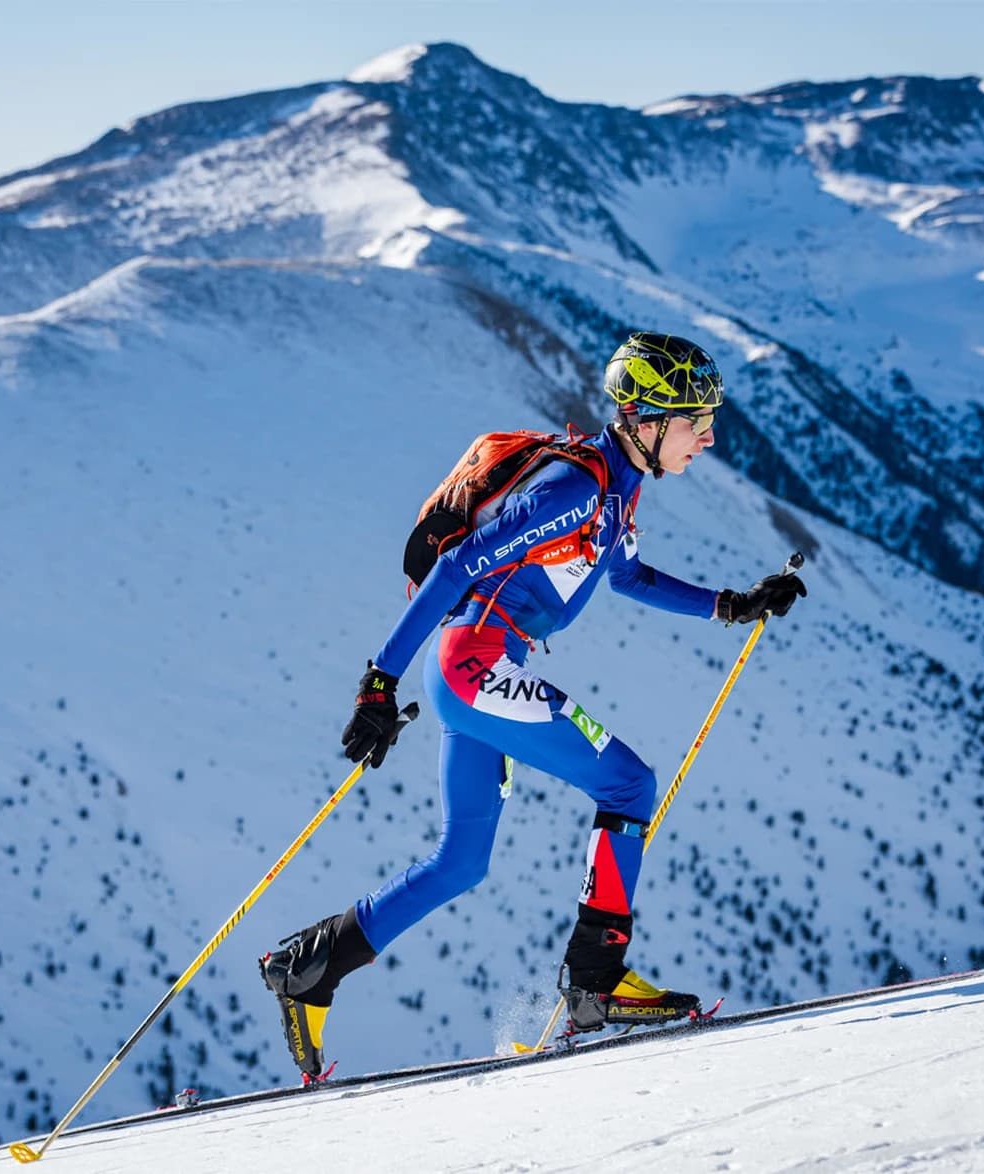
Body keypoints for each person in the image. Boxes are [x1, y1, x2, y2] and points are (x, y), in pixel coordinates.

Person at [259, 332, 808, 1079]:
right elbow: (458, 565)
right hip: (475, 667)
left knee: (460, 862)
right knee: (630, 784)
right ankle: (595, 984)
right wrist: (379, 682)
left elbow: (628, 577)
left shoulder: (615, 487)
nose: (708, 438)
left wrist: (731, 604)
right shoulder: (575, 489)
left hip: (480, 670)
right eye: (696, 421)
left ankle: (310, 967)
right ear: (647, 420)